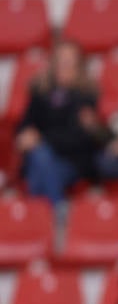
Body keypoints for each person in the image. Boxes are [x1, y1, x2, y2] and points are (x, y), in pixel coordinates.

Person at [16, 41, 106, 205]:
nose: (65, 66)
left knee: (40, 165)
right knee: (40, 160)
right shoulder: (41, 92)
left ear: (79, 66)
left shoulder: (86, 95)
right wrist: (25, 137)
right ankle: (56, 214)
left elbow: (80, 139)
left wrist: (41, 138)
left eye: (70, 61)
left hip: (72, 162)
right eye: (61, 60)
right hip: (41, 160)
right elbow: (25, 125)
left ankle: (47, 218)